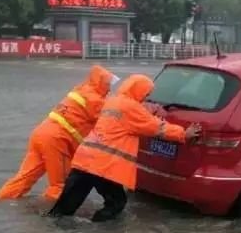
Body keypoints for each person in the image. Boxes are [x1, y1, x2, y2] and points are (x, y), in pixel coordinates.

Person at [48, 74, 201, 222]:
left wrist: (145, 112)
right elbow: (155, 127)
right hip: (103, 165)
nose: (146, 97)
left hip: (85, 159)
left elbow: (132, 120)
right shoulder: (132, 108)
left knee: (63, 209)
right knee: (116, 203)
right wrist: (183, 133)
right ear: (138, 90)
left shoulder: (113, 101)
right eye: (146, 93)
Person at [0, 65, 115, 202]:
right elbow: (111, 118)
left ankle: (1, 200)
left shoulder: (81, 89)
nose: (109, 87)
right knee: (60, 184)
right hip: (56, 140)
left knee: (25, 176)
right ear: (101, 83)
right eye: (107, 83)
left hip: (41, 133)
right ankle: (52, 215)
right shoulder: (96, 100)